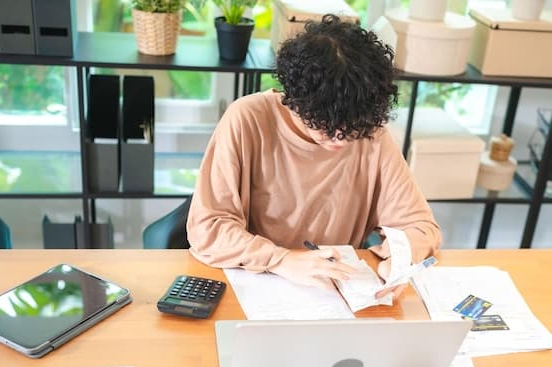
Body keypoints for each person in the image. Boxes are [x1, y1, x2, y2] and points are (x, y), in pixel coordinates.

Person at [186, 14, 441, 298]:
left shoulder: (370, 133)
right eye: (326, 126)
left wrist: (397, 261)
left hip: (336, 291)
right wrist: (281, 259)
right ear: (294, 99)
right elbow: (208, 228)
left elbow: (421, 227)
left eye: (352, 129)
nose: (340, 139)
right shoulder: (248, 120)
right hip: (257, 284)